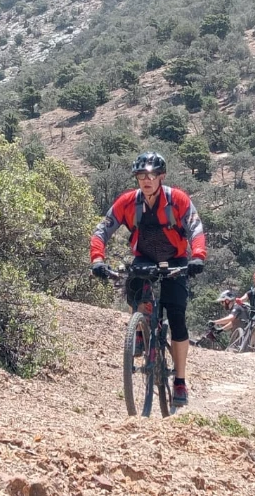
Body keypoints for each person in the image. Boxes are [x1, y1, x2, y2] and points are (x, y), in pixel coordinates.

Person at [90, 151, 206, 407]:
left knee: (177, 318)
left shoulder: (177, 200)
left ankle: (180, 380)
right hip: (144, 257)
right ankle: (141, 328)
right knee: (134, 286)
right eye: (141, 175)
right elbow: (101, 230)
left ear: (161, 177)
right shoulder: (128, 202)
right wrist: (97, 259)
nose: (146, 180)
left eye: (152, 175)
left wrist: (197, 256)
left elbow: (195, 227)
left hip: (175, 260)